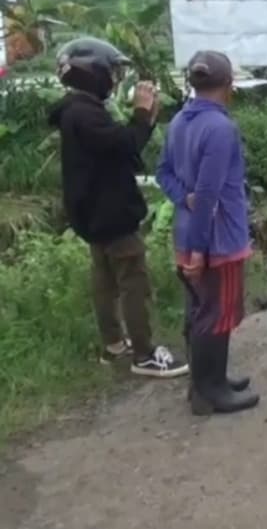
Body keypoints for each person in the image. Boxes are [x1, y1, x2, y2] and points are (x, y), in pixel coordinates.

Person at [47, 37, 189, 379]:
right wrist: (141, 113)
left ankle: (113, 345)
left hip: (93, 214)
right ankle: (144, 354)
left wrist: (145, 119)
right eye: (110, 72)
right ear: (91, 73)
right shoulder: (86, 113)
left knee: (105, 281)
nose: (114, 79)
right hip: (111, 213)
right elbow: (125, 148)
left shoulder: (75, 109)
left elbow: (121, 147)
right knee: (133, 283)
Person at [157, 51, 258, 415]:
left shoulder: (179, 121)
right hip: (217, 241)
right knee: (218, 313)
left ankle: (208, 380)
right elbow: (211, 194)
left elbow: (162, 174)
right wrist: (202, 249)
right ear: (229, 86)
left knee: (199, 311)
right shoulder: (220, 129)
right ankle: (210, 389)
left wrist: (182, 197)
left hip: (187, 234)